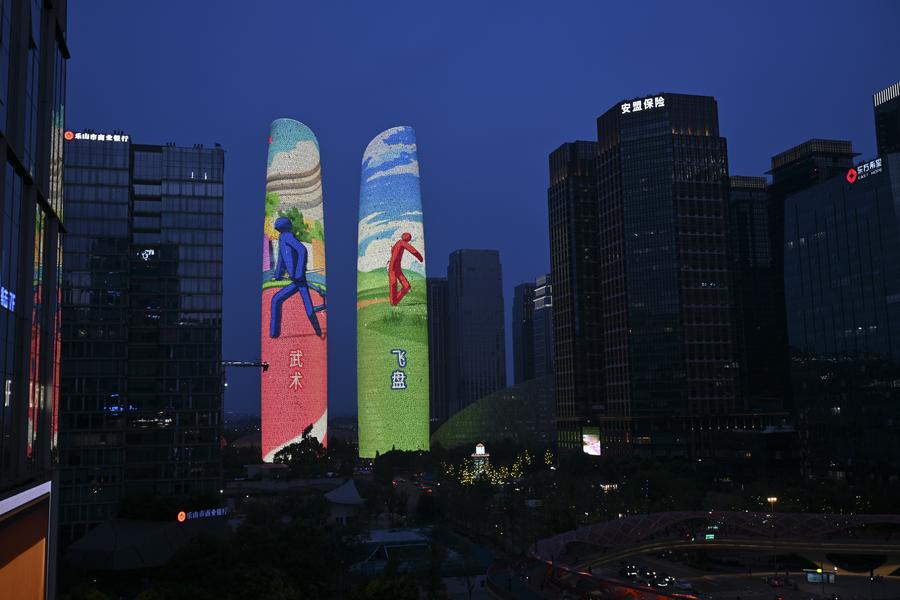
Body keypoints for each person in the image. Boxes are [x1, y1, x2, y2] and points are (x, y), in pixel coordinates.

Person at [269, 216, 323, 339]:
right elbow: (281, 259)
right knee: (278, 300)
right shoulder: (282, 238)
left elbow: (302, 250)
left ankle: (318, 332)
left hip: (299, 278)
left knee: (277, 300)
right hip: (296, 279)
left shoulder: (287, 236)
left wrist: (299, 272)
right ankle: (274, 333)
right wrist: (278, 275)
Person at [388, 232, 423, 306]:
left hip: (397, 268)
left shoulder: (399, 243)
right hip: (392, 267)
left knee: (406, 286)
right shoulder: (401, 243)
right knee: (394, 283)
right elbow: (413, 250)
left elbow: (411, 250)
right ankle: (393, 302)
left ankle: (394, 301)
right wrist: (420, 258)